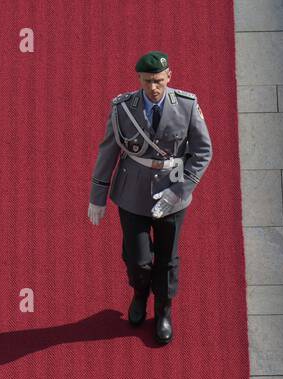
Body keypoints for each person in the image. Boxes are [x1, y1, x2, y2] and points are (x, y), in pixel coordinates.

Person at [88, 50, 213, 345]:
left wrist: (179, 190)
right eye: (147, 81)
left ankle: (163, 309)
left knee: (168, 258)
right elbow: (109, 151)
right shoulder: (122, 108)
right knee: (137, 259)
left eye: (158, 80)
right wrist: (98, 196)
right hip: (133, 194)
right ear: (139, 79)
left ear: (169, 77)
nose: (153, 87)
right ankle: (140, 293)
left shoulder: (187, 105)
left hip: (173, 191)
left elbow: (202, 152)